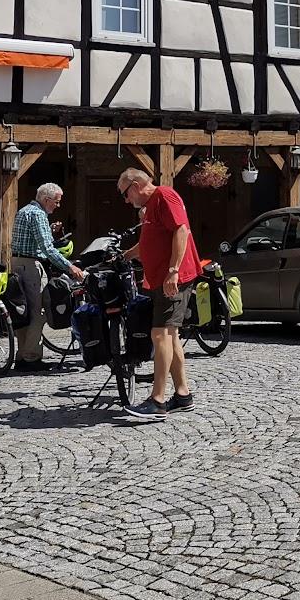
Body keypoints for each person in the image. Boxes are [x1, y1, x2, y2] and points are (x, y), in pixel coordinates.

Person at [116, 167, 201, 419]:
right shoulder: (151, 205)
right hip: (161, 279)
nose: (126, 200)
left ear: (135, 185)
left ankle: (157, 400)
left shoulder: (164, 195)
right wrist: (125, 255)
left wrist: (173, 271)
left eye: (125, 194)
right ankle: (183, 395)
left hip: (172, 279)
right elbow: (149, 242)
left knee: (159, 334)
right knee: (170, 336)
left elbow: (181, 230)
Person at [10, 182, 83, 371]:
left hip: (18, 263)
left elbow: (30, 239)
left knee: (24, 312)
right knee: (38, 312)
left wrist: (49, 230)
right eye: (56, 202)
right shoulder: (38, 214)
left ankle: (22, 355)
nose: (58, 205)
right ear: (46, 199)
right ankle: (31, 357)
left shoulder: (25, 211)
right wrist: (69, 267)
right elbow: (47, 248)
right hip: (31, 266)